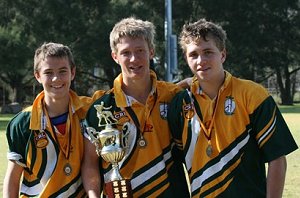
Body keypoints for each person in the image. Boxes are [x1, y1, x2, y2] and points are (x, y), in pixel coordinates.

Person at [167, 18, 298, 197]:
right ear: (186, 59)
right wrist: (179, 86)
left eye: (208, 52)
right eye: (194, 54)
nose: (201, 60)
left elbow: (277, 158)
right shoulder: (179, 103)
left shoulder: (252, 94)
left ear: (223, 54)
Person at [81, 17, 189, 197]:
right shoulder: (101, 108)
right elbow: (90, 163)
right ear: (115, 56)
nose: (134, 58)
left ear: (151, 52)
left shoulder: (174, 97)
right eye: (126, 52)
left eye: (140, 50)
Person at [3, 42, 103, 197]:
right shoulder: (23, 123)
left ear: (73, 72)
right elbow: (12, 178)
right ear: (37, 76)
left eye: (63, 71)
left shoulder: (90, 111)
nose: (56, 79)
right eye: (48, 72)